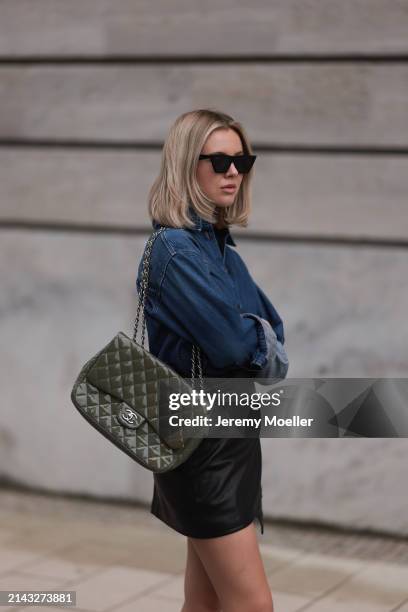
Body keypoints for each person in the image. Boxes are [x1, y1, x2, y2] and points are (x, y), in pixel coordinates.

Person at [136, 108, 288, 612]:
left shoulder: (219, 248)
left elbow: (273, 332)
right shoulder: (175, 251)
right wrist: (258, 341)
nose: (233, 172)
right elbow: (236, 346)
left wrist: (259, 340)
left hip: (229, 436)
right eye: (219, 159)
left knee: (205, 602)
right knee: (251, 603)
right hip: (200, 447)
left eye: (242, 160)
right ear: (186, 164)